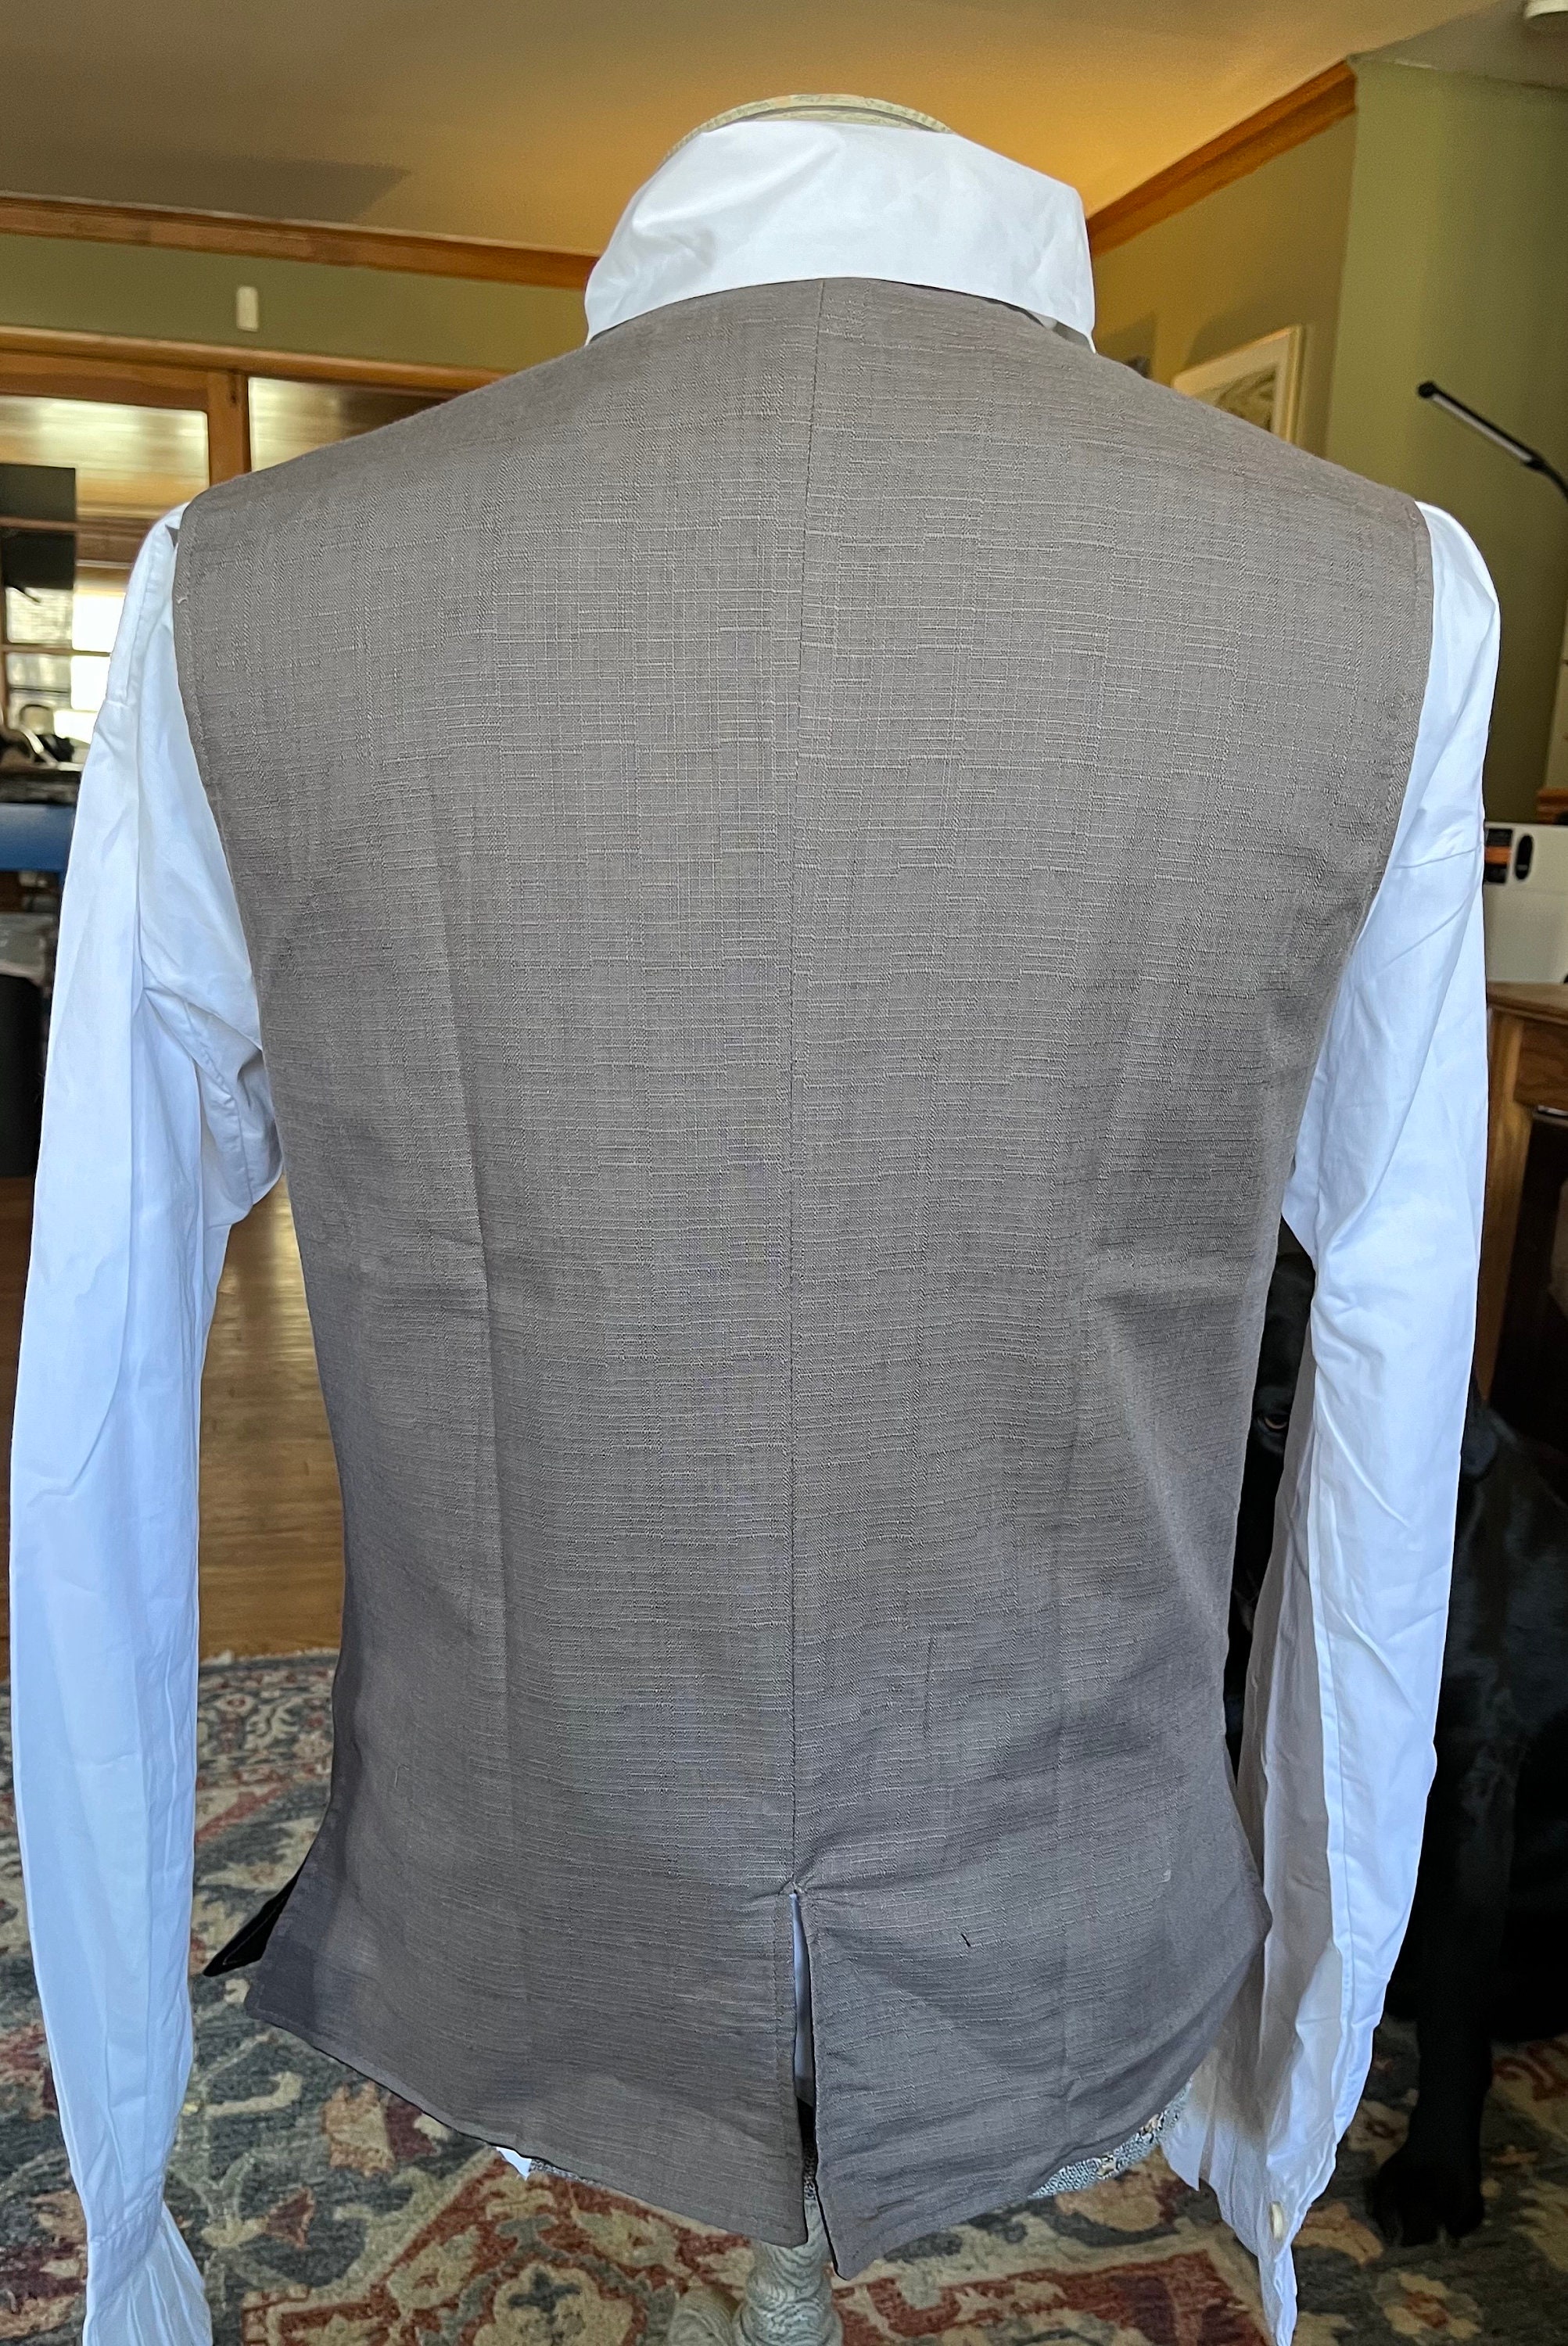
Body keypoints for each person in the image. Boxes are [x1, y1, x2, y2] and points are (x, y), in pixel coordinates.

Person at [11, 95, 1497, 2346]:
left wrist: (128, 2195)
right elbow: (1392, 1378)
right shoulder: (1366, 591)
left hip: (513, 1895)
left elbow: (98, 1380)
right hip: (1073, 1897)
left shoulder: (262, 582)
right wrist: (1287, 2080)